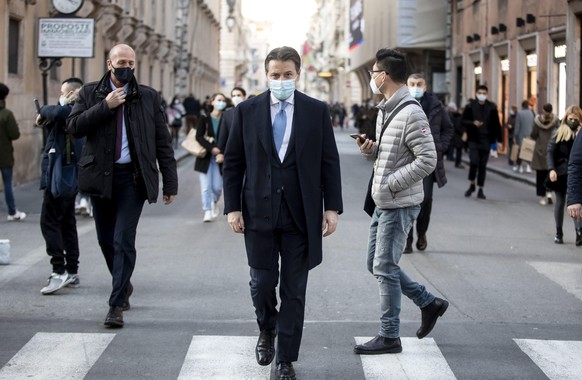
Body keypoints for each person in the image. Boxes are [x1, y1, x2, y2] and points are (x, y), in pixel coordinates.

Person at [223, 46, 342, 380]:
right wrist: (232, 208)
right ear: (266, 75)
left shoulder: (316, 110)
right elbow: (233, 164)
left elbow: (328, 161)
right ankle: (267, 329)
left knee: (294, 289)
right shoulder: (246, 111)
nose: (281, 80)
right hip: (258, 212)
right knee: (261, 283)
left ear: (298, 75)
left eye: (287, 75)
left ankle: (285, 359)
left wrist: (331, 208)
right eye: (275, 75)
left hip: (300, 215)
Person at [67, 44, 178, 328]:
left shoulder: (148, 97)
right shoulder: (91, 92)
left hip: (134, 179)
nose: (126, 67)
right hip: (100, 177)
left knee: (123, 239)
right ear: (109, 64)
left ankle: (116, 304)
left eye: (131, 62)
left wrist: (170, 183)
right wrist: (106, 107)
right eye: (121, 62)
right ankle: (123, 283)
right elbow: (74, 126)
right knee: (106, 240)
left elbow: (162, 143)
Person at [352, 48, 447, 356]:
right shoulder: (386, 109)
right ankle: (428, 302)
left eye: (373, 72)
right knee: (375, 264)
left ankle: (389, 335)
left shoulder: (411, 111)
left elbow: (427, 159)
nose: (372, 78)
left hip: (398, 202)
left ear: (385, 75)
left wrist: (393, 182)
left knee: (384, 265)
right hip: (383, 201)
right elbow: (395, 152)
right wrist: (372, 149)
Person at [36, 77, 84, 294]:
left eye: (64, 93)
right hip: (67, 173)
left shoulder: (73, 109)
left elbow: (55, 112)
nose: (60, 95)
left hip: (61, 173)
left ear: (72, 93)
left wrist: (47, 110)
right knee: (66, 222)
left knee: (49, 221)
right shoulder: (75, 110)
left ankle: (59, 270)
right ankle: (72, 271)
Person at [404, 73, 453, 253]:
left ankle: (422, 232)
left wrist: (440, 147)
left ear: (425, 86)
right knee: (407, 201)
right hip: (406, 161)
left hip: (428, 162)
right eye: (412, 84)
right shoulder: (401, 104)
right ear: (406, 85)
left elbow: (448, 128)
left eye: (419, 84)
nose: (416, 87)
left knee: (425, 200)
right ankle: (407, 240)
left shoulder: (436, 106)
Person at [547, 105, 582, 245]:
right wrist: (551, 169)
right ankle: (559, 232)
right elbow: (550, 152)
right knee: (561, 202)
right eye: (570, 118)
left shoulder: (579, 133)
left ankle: (578, 231)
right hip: (561, 172)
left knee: (576, 202)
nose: (572, 121)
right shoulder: (559, 132)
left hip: (575, 174)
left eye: (575, 119)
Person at [461, 85, 502, 199]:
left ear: (487, 94)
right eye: (480, 92)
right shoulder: (470, 106)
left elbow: (497, 125)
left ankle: (480, 188)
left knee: (482, 166)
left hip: (486, 139)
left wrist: (499, 140)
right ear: (476, 93)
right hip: (473, 139)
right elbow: (463, 121)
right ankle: (472, 183)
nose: (482, 95)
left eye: (484, 93)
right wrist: (472, 123)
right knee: (474, 162)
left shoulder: (492, 107)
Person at [195, 92, 227, 222]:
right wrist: (211, 148)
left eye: (223, 100)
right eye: (219, 100)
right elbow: (199, 136)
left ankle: (213, 201)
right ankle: (207, 210)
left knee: (218, 187)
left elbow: (230, 137)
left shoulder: (226, 118)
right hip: (206, 157)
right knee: (205, 186)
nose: (221, 102)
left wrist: (222, 152)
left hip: (221, 158)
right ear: (212, 102)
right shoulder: (204, 118)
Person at [0, 83, 26, 221]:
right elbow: (15, 134)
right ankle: (12, 212)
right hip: (4, 156)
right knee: (8, 185)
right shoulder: (7, 114)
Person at [531, 103, 559, 205]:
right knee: (550, 172)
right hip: (552, 149)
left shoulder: (537, 121)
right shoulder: (556, 121)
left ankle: (542, 196)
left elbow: (533, 134)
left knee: (540, 175)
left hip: (540, 149)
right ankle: (549, 193)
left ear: (543, 110)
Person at [217, 87, 247, 157]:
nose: (236, 98)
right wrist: (220, 152)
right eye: (233, 96)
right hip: (233, 152)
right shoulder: (227, 114)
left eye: (238, 95)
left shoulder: (252, 111)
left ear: (244, 96)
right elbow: (223, 135)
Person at [513, 100, 535, 173]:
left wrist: (515, 136)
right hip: (529, 135)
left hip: (521, 135)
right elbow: (533, 124)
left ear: (522, 106)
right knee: (528, 150)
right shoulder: (531, 113)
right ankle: (528, 166)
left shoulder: (519, 113)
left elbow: (517, 126)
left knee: (520, 151)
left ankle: (520, 166)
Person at [446, 102, 464, 168]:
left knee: (451, 146)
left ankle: (450, 156)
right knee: (458, 148)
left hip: (451, 133)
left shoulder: (447, 114)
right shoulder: (457, 116)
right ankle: (457, 162)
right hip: (457, 134)